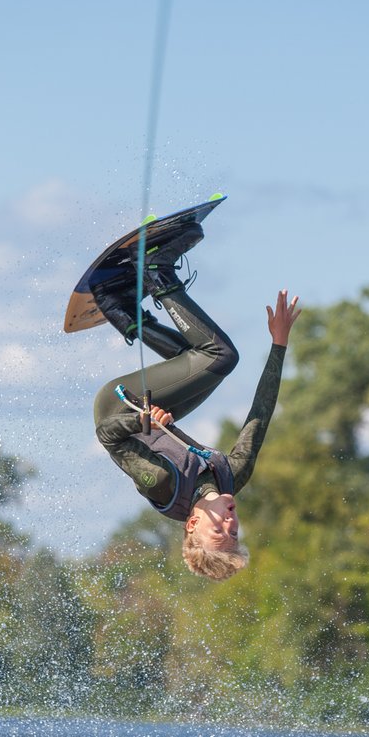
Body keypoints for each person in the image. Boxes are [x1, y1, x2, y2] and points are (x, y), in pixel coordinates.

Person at [91, 222, 300, 581]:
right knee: (203, 362)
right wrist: (279, 344)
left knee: (219, 357)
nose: (231, 523)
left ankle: (157, 270)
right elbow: (259, 418)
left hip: (118, 407)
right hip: (155, 413)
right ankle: (120, 308)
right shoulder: (231, 476)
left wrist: (144, 423)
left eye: (219, 532)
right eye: (234, 533)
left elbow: (108, 437)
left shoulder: (161, 483)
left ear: (193, 524)